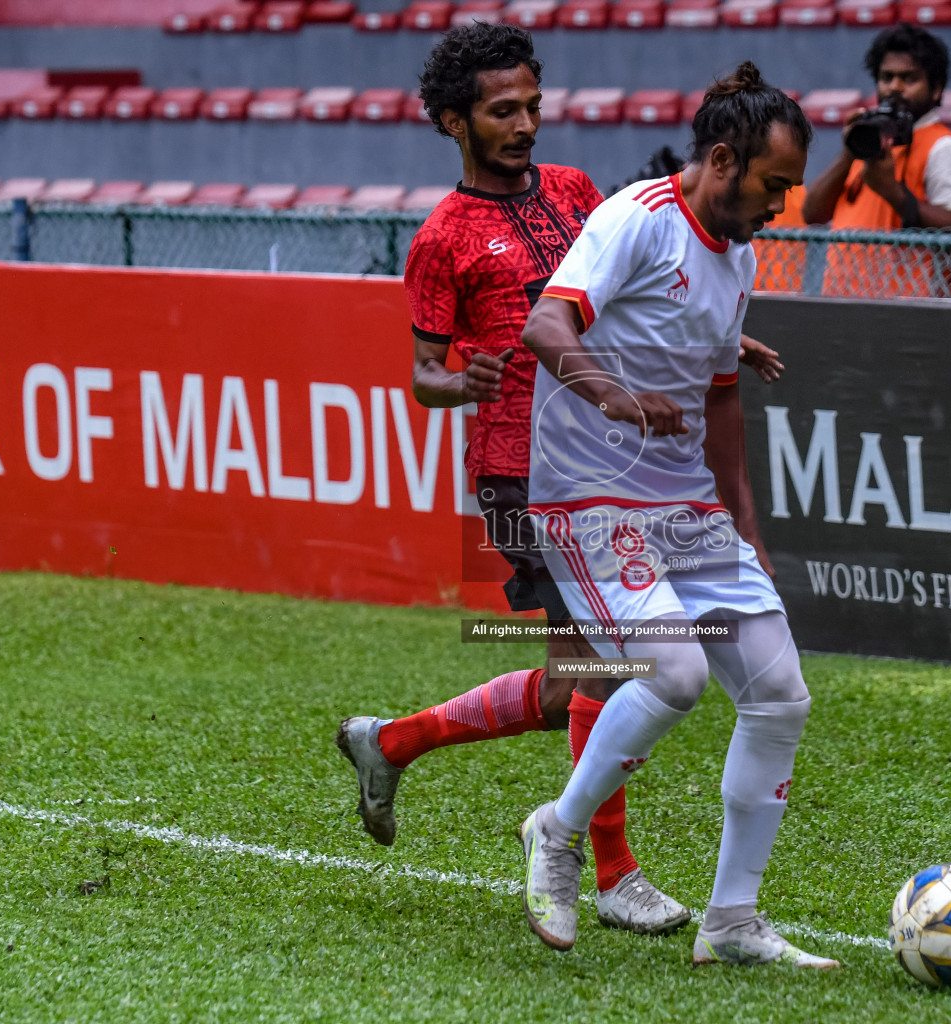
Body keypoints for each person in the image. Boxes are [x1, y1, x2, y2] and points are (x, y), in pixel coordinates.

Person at [333, 23, 779, 937]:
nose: (526, 124)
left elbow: (640, 294)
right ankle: (607, 868)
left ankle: (392, 742)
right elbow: (422, 376)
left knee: (569, 681)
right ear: (455, 122)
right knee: (614, 668)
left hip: (618, 471)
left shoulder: (579, 192)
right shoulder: (441, 238)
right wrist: (463, 381)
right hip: (519, 472)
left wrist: (717, 340)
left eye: (533, 105)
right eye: (503, 111)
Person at [516, 62, 839, 969]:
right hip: (589, 497)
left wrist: (749, 531)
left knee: (779, 695)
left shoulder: (737, 252)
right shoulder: (637, 218)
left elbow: (723, 402)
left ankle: (732, 923)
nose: (782, 204)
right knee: (676, 674)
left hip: (685, 506)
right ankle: (558, 830)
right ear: (725, 159)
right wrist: (615, 397)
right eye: (774, 185)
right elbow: (546, 328)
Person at [764, 24, 951, 297]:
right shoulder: (869, 140)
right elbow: (812, 213)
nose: (895, 88)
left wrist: (893, 193)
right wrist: (848, 152)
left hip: (913, 314)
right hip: (844, 304)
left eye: (909, 79)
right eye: (886, 77)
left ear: (936, 89)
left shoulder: (943, 146)